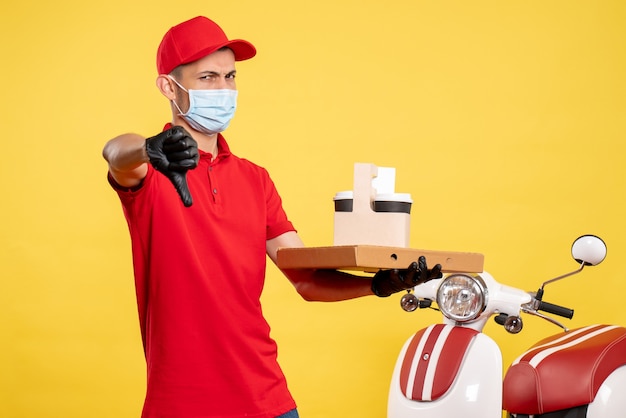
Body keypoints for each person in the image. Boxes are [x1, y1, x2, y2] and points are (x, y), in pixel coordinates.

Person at [103, 15, 442, 418]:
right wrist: (148, 146)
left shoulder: (255, 179)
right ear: (168, 87)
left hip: (266, 400)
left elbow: (305, 278)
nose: (224, 89)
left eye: (230, 77)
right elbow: (115, 154)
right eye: (208, 78)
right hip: (181, 402)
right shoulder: (152, 171)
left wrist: (376, 285)